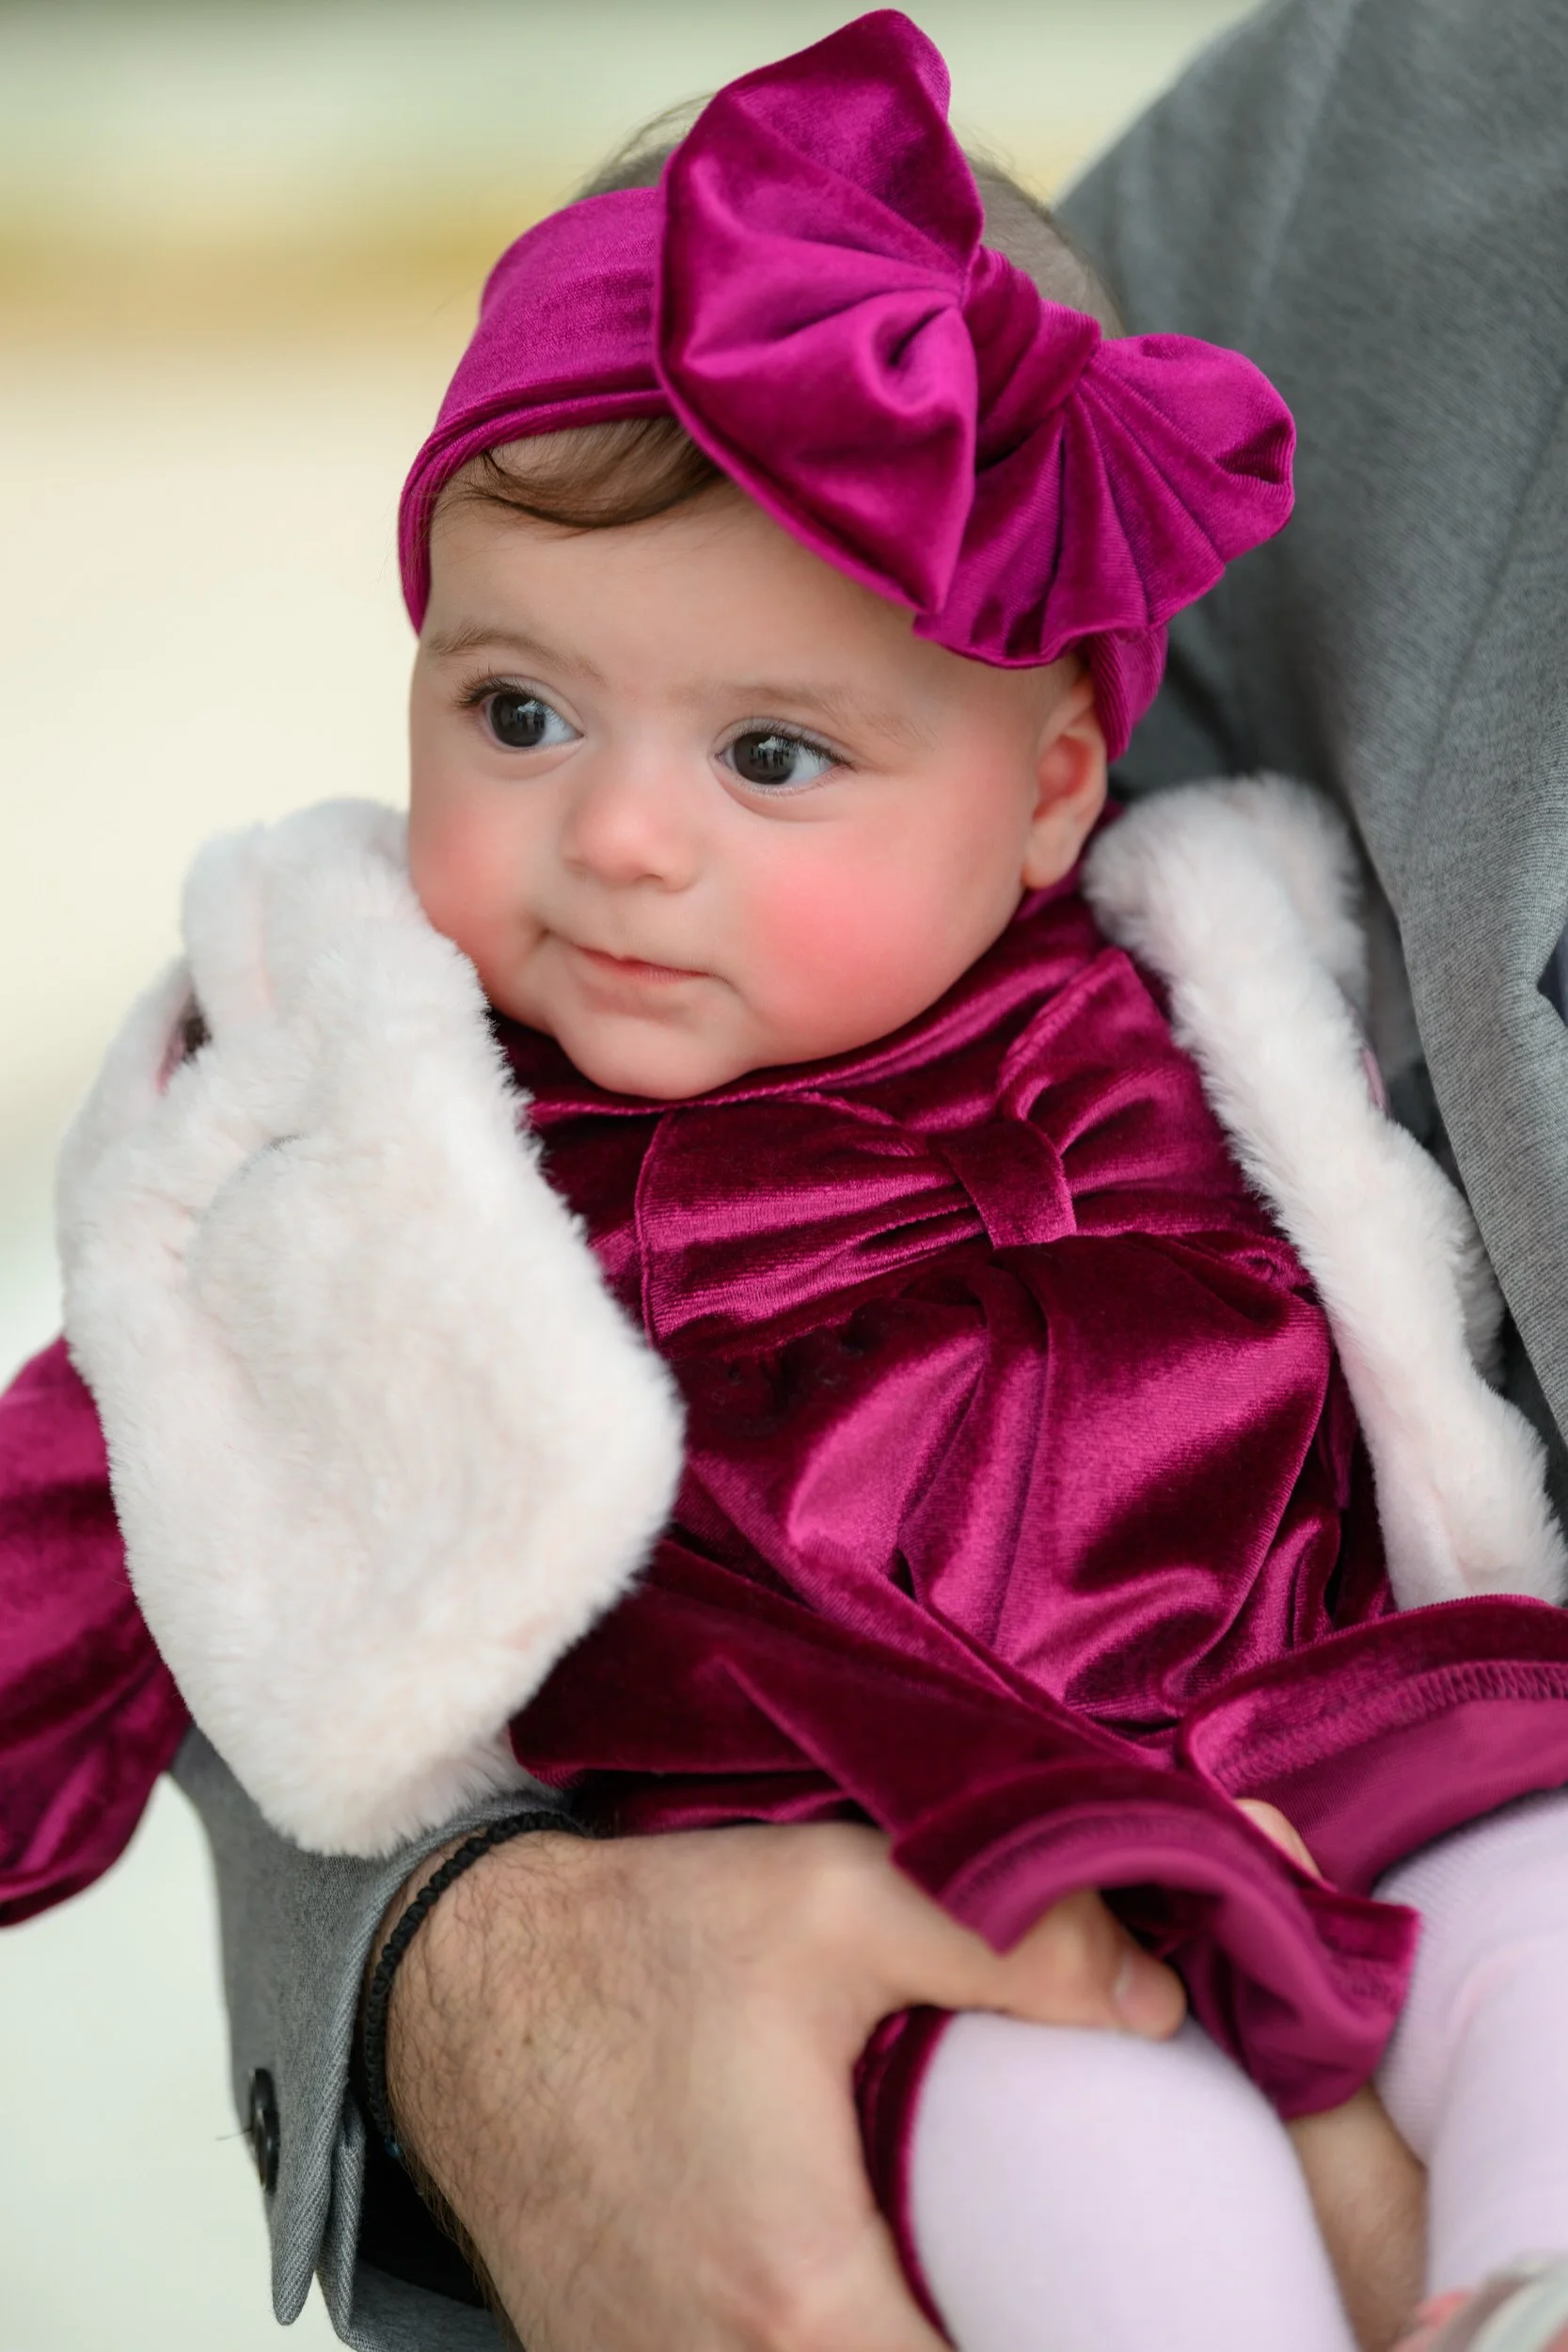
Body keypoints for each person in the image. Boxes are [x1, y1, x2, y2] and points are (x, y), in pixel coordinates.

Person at [8, 5, 1568, 2349]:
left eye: (768, 749)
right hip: (873, 1857)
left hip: (1315, 1726)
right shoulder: (400, 1128)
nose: (617, 839)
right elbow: (132, 1468)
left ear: (1052, 792)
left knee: (1547, 1908)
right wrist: (468, 1974)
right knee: (1089, 2170)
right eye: (514, 710)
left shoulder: (1189, 985)